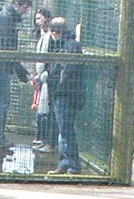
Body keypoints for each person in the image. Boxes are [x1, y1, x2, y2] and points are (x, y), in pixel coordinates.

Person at [0, 0, 32, 149]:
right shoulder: (5, 18)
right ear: (19, 5)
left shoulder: (6, 16)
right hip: (0, 65)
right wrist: (20, 69)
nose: (26, 12)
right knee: (2, 101)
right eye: (26, 8)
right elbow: (6, 46)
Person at [47, 17, 84, 173]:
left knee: (66, 130)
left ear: (54, 31)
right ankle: (65, 163)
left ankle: (71, 165)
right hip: (70, 94)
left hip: (66, 95)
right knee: (65, 130)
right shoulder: (69, 44)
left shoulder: (68, 46)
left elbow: (67, 72)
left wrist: (57, 89)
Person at [29, 8, 55, 153]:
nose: (37, 21)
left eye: (40, 18)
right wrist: (35, 75)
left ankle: (47, 140)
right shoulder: (39, 35)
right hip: (40, 76)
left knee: (46, 110)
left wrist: (43, 75)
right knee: (39, 108)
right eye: (36, 18)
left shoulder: (50, 35)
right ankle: (40, 137)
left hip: (48, 77)